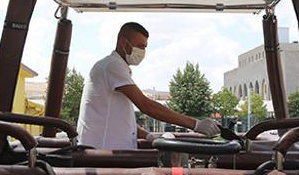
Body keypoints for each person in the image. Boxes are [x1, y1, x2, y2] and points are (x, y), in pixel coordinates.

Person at [77, 22, 221, 150]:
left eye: (145, 47)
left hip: (108, 151)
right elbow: (146, 105)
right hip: (103, 155)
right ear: (123, 43)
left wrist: (148, 136)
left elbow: (121, 120)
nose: (143, 52)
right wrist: (195, 124)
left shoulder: (115, 67)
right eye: (139, 46)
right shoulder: (112, 65)